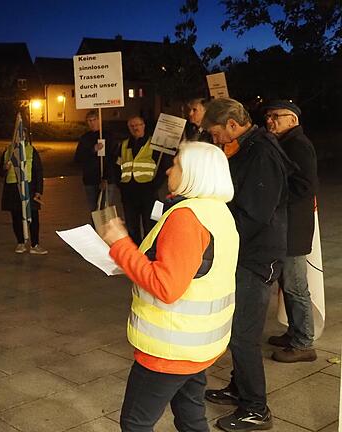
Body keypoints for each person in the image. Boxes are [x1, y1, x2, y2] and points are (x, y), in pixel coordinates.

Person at [99, 141, 238, 432]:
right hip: (198, 345)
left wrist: (121, 245)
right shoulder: (218, 212)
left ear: (192, 173)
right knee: (190, 416)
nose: (167, 168)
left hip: (170, 348)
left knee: (135, 423)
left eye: (175, 164)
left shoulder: (186, 218)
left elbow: (166, 286)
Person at [202, 97, 292, 432]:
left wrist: (218, 234)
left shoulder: (262, 152)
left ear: (231, 124)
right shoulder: (247, 147)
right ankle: (239, 389)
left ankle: (256, 408)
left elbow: (254, 213)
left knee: (243, 334)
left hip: (259, 256)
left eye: (215, 133)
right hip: (245, 252)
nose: (215, 140)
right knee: (236, 328)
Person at [263, 100, 319, 363]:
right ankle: (294, 332)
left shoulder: (298, 145)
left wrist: (275, 197)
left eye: (276, 116)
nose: (270, 120)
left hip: (293, 228)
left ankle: (304, 342)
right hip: (287, 226)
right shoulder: (285, 143)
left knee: (296, 286)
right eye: (268, 116)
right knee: (288, 284)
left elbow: (306, 185)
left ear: (292, 120)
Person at [118, 115, 170, 244]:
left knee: (150, 224)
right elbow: (117, 165)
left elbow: (163, 166)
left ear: (144, 126)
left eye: (138, 125)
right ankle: (136, 253)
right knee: (132, 226)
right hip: (129, 192)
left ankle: (149, 251)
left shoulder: (154, 143)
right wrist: (120, 185)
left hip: (148, 191)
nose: (135, 128)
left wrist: (155, 185)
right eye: (132, 126)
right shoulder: (124, 145)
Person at [0, 134, 47, 254]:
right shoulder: (8, 151)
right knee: (16, 216)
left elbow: (38, 171)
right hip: (13, 190)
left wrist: (39, 191)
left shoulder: (31, 150)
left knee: (33, 217)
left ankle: (35, 244)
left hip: (29, 188)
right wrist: (5, 168)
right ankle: (20, 242)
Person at [74, 110, 120, 220]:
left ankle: (107, 234)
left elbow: (112, 158)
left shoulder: (109, 136)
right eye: (89, 121)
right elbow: (78, 158)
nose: (92, 123)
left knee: (105, 210)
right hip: (90, 179)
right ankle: (96, 231)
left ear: (99, 120)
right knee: (94, 211)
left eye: (94, 120)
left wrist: (106, 178)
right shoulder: (85, 138)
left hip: (106, 179)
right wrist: (93, 149)